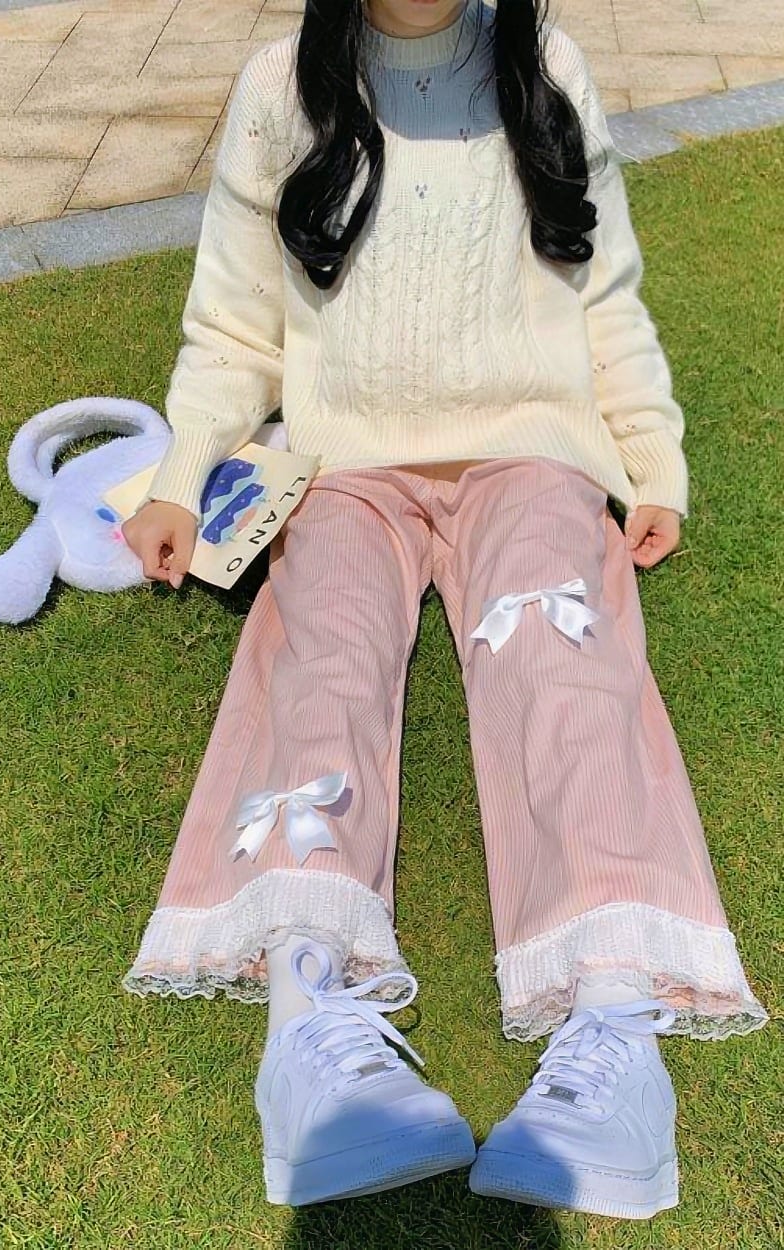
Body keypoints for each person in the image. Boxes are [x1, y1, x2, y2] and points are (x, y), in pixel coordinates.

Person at [120, 0, 768, 1218]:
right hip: (342, 462)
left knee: (560, 660)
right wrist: (179, 474)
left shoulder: (545, 66)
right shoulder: (280, 89)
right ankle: (310, 1027)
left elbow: (604, 290)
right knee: (323, 660)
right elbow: (234, 320)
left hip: (528, 450)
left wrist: (650, 457)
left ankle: (614, 1032)